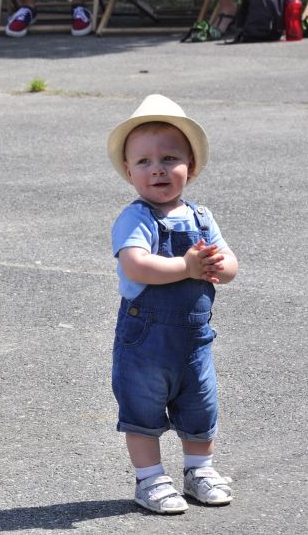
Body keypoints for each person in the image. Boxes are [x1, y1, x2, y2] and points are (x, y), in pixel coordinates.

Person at [106, 94, 239, 514]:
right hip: (145, 342)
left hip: (194, 340)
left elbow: (230, 264)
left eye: (169, 157)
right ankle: (150, 479)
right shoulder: (136, 219)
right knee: (141, 411)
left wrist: (220, 264)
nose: (157, 168)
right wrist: (186, 265)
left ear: (191, 167)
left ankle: (199, 469)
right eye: (143, 162)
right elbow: (138, 265)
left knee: (200, 405)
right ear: (129, 172)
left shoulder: (202, 218)